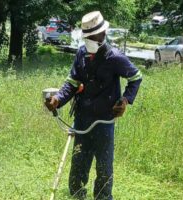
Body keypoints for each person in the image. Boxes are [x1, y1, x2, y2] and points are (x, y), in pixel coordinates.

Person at [45, 11, 142, 200]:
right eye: (87, 36)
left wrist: (125, 100)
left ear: (103, 34)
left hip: (104, 122)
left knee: (104, 168)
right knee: (79, 164)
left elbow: (136, 77)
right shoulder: (81, 53)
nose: (89, 39)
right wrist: (58, 99)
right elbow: (72, 83)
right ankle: (77, 196)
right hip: (82, 119)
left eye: (93, 36)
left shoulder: (114, 57)